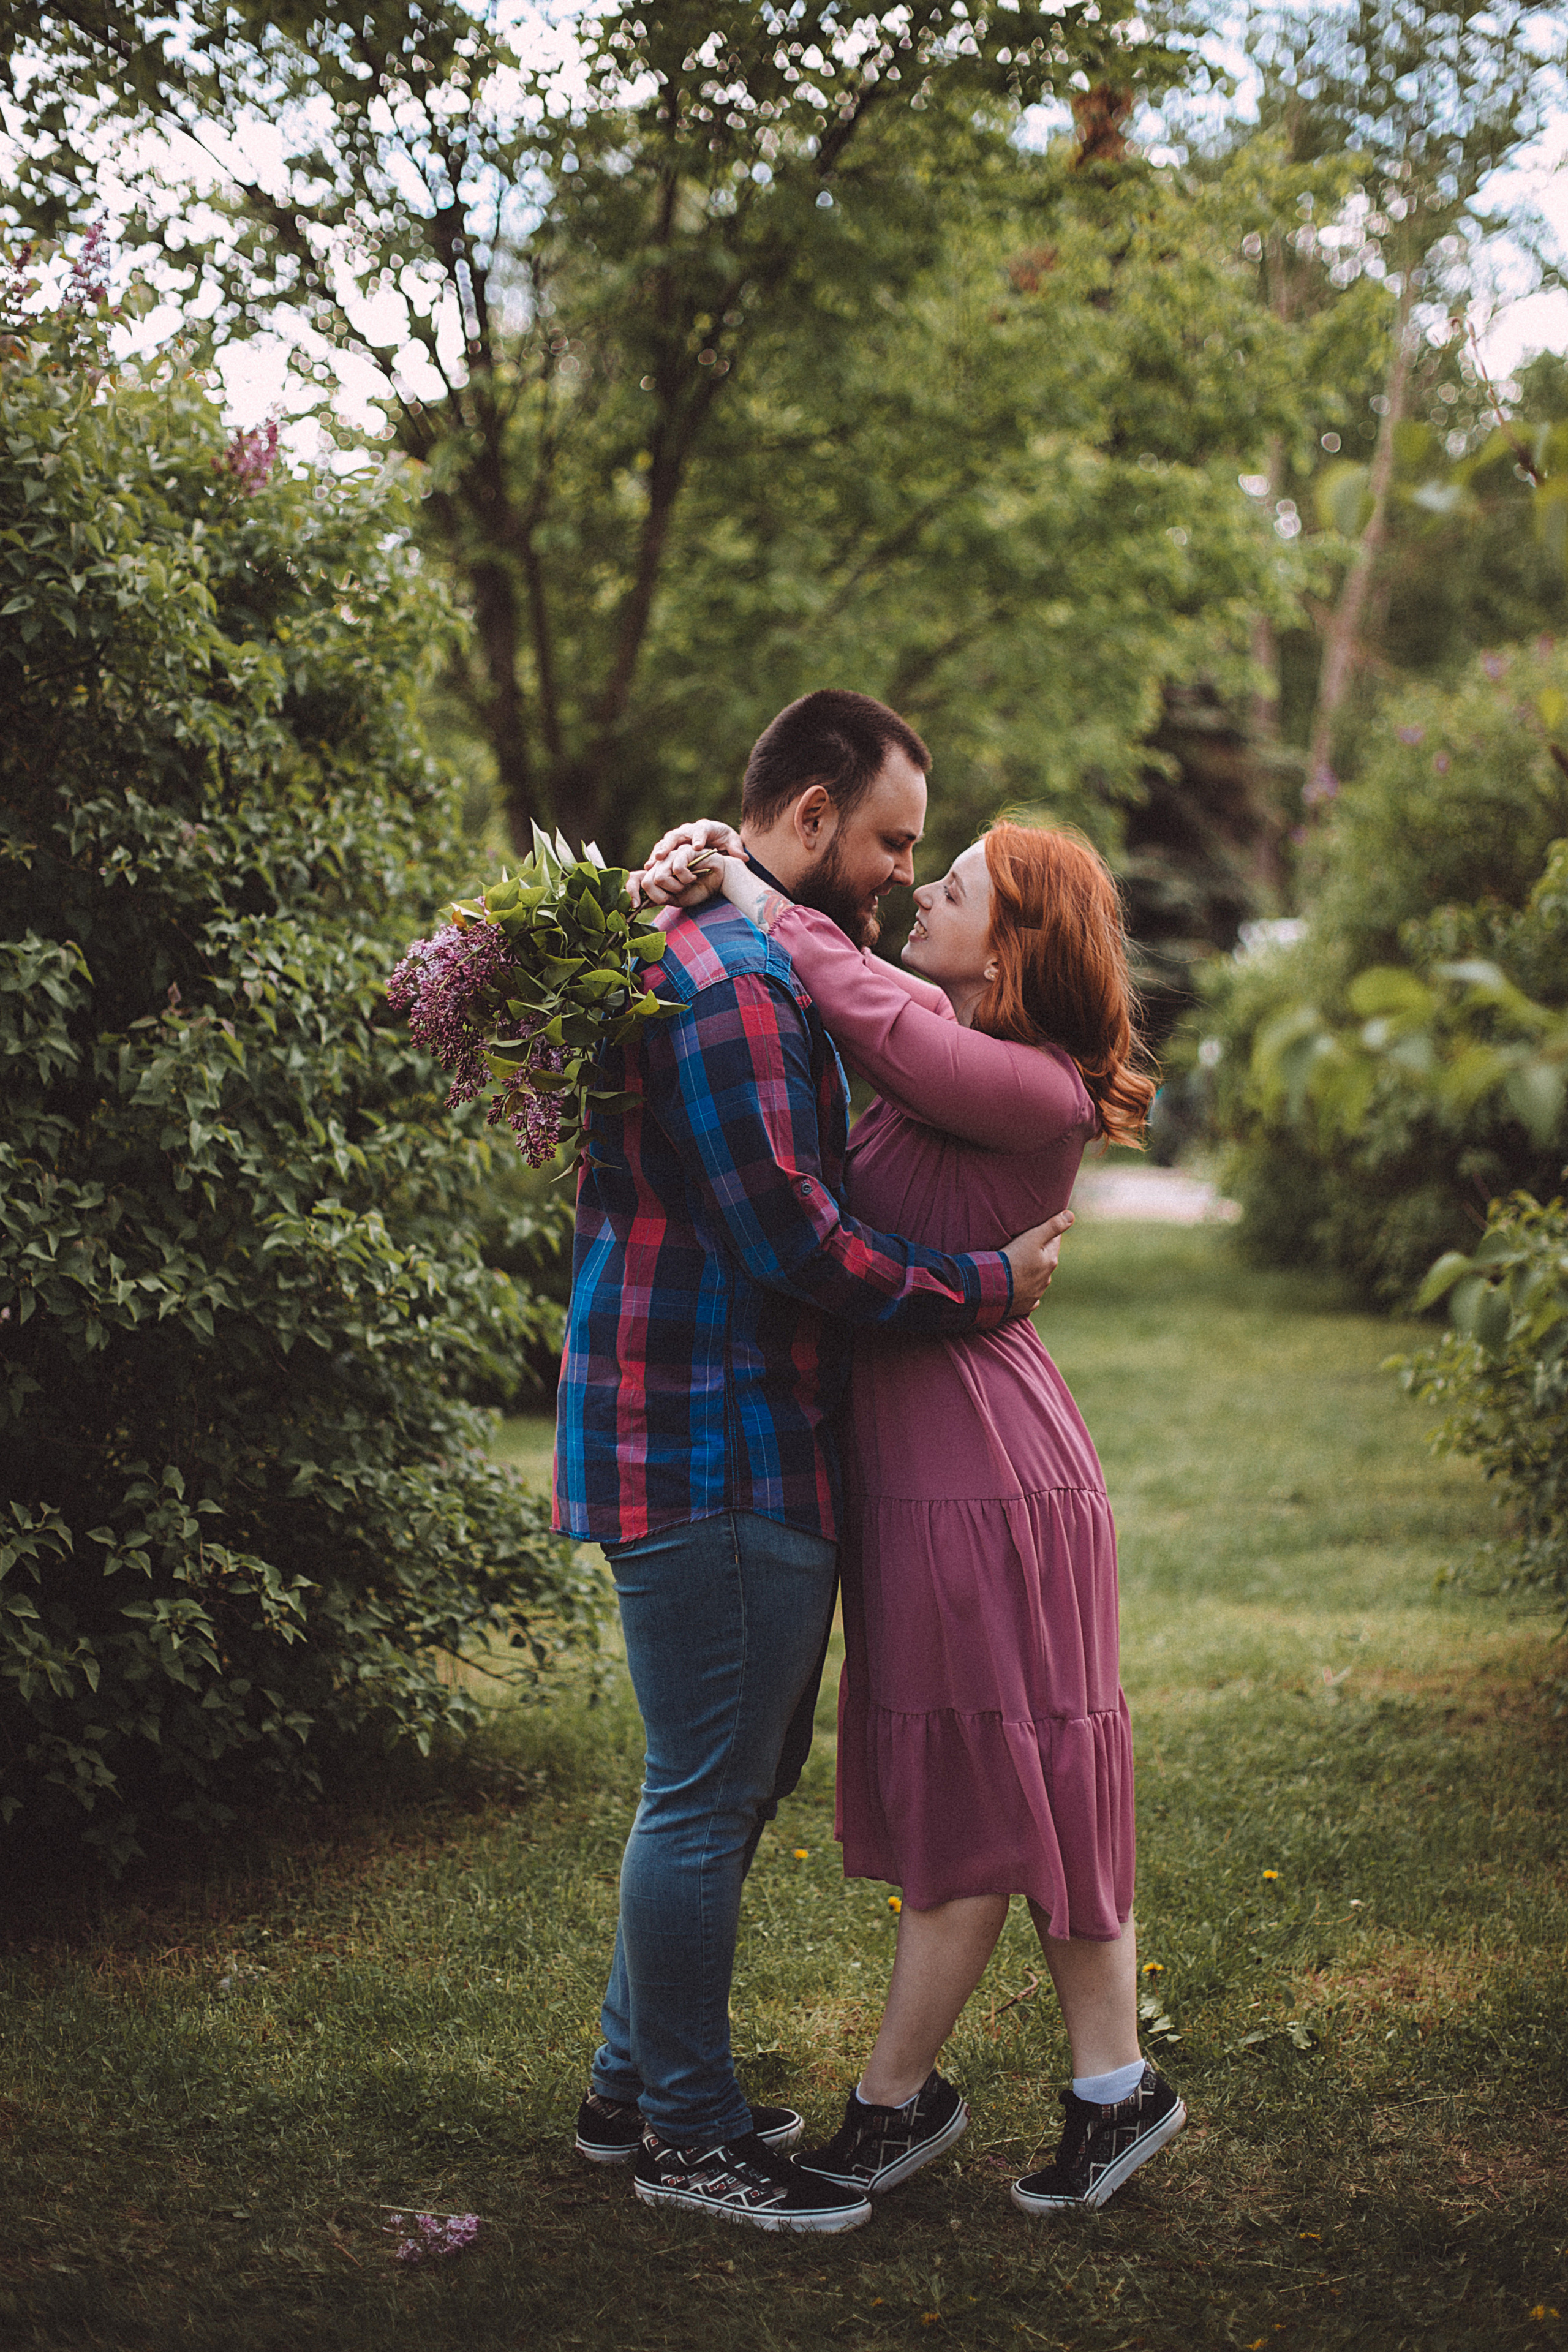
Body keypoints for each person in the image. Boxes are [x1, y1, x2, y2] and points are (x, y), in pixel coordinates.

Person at [553, 690, 1071, 2237]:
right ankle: (690, 2141)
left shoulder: (742, 955)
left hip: (728, 1430)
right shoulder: (732, 988)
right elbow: (797, 1238)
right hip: (716, 1439)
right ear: (807, 819)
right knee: (705, 1798)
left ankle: (626, 2092)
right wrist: (983, 1286)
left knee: (718, 1780)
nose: (904, 876)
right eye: (892, 840)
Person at [638, 811, 1185, 2218]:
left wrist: (755, 890)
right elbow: (838, 1035)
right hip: (954, 1462)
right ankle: (1110, 2088)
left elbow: (862, 1000)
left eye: (951, 888)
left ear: (1013, 951)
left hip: (976, 1474)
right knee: (1025, 1770)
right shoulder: (957, 1082)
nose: (919, 894)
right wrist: (695, 880)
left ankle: (895, 2106)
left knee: (980, 1786)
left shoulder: (1029, 1088)